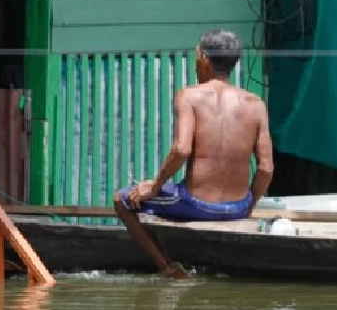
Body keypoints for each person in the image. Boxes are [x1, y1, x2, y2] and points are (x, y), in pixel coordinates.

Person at [115, 29, 274, 244]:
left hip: (195, 204)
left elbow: (181, 149)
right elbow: (266, 169)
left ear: (204, 60)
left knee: (122, 199)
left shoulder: (189, 95)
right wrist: (248, 205)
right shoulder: (256, 104)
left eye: (196, 57)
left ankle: (169, 267)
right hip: (238, 207)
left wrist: (154, 187)